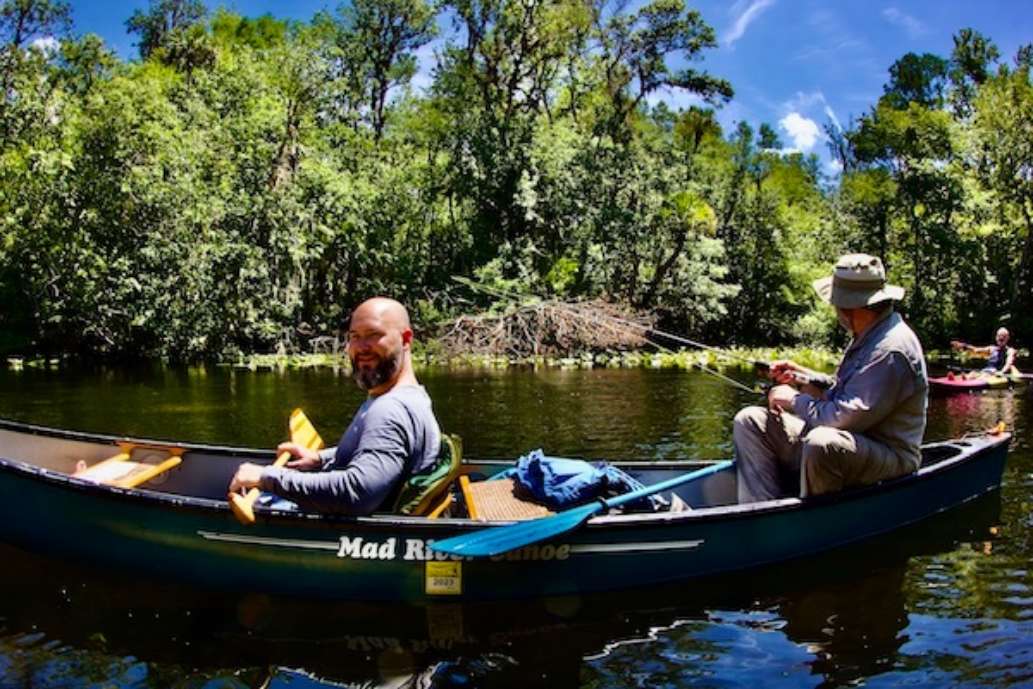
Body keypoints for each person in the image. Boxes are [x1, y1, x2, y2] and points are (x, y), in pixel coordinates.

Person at [733, 253, 927, 503]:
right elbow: (846, 391)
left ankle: (814, 522)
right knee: (749, 420)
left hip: (890, 455)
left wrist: (794, 400)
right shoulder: (869, 333)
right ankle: (759, 512)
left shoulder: (891, 350)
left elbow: (841, 419)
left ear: (849, 309)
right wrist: (802, 377)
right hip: (854, 442)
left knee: (822, 442)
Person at [228, 297, 442, 515]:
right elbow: (376, 453)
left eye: (374, 335)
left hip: (356, 533)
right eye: (354, 337)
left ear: (406, 339)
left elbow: (357, 492)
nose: (361, 347)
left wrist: (267, 478)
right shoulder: (409, 396)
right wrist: (321, 459)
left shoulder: (390, 410)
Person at [951, 328, 1020, 377]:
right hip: (986, 371)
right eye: (999, 336)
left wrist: (1002, 372)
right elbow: (976, 350)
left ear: (1007, 338)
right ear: (996, 337)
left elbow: (1009, 363)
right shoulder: (991, 349)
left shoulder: (1010, 351)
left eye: (1004, 336)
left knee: (983, 375)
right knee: (973, 373)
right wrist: (963, 346)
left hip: (997, 373)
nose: (1001, 338)